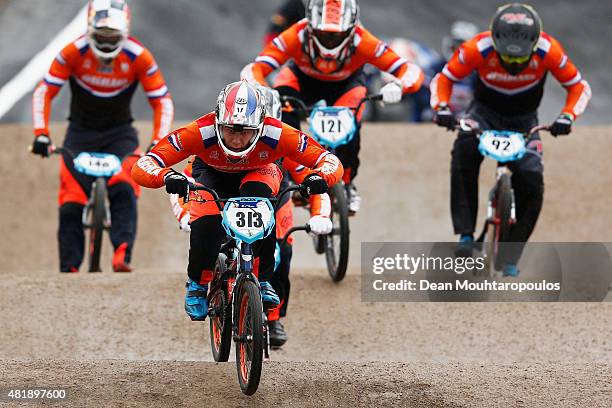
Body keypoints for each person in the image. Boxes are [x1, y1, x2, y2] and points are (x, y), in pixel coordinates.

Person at [132, 80, 343, 321]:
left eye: (246, 131)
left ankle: (262, 280)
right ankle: (197, 284)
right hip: (211, 172)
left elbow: (329, 161)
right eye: (230, 130)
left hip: (260, 171)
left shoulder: (279, 133)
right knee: (206, 224)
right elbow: (144, 165)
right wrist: (166, 176)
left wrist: (320, 177)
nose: (237, 139)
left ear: (261, 126)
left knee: (262, 206)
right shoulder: (199, 131)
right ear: (217, 122)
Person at [430, 3, 591, 276]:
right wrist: (442, 109)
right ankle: (466, 235)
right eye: (507, 58)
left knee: (531, 179)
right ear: (495, 42)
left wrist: (567, 116)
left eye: (520, 59)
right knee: (463, 151)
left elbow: (578, 86)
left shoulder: (549, 50)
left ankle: (511, 256)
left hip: (525, 120)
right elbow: (443, 80)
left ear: (534, 45)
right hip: (483, 114)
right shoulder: (476, 48)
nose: (514, 65)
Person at [30, 0, 174, 272]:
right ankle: (69, 269)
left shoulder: (139, 56)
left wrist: (159, 141)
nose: (107, 45)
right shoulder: (72, 52)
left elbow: (162, 101)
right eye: (101, 37)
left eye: (113, 38)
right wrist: (41, 134)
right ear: (89, 30)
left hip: (120, 134)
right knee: (71, 199)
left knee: (125, 185)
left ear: (126, 33)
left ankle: (122, 253)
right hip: (80, 133)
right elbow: (43, 91)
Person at [242, 0, 424, 214]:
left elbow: (409, 69)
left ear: (351, 30)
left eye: (336, 36)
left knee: (351, 120)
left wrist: (399, 85)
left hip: (345, 84)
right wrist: (262, 87)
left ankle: (347, 182)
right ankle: (291, 174)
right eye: (323, 34)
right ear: (310, 28)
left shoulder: (363, 40)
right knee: (282, 117)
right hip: (301, 80)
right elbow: (255, 68)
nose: (329, 42)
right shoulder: (296, 34)